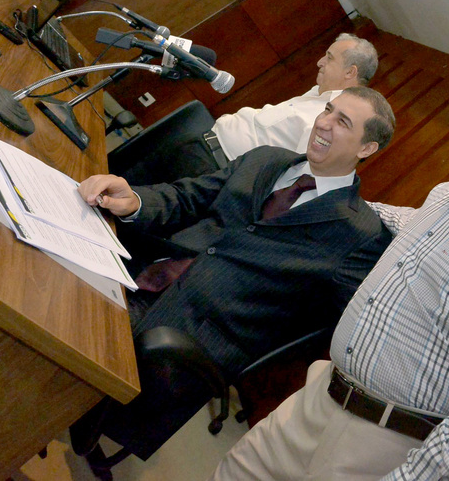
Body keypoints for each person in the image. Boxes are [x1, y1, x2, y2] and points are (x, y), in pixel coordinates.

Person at [209, 80, 449, 481]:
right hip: (317, 402)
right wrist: (335, 200)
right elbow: (405, 222)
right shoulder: (446, 197)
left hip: (385, 445)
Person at [72, 86, 396, 464]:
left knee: (68, 319)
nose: (323, 122)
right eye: (327, 109)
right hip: (144, 271)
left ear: (366, 148)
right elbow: (188, 196)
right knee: (55, 271)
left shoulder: (360, 236)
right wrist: (135, 201)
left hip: (186, 336)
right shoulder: (266, 158)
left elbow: (357, 331)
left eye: (342, 122)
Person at [144, 33, 378, 182]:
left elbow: (298, 177)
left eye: (329, 57)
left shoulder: (332, 119)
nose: (320, 62)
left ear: (350, 72)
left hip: (210, 169)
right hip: (202, 146)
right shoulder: (318, 94)